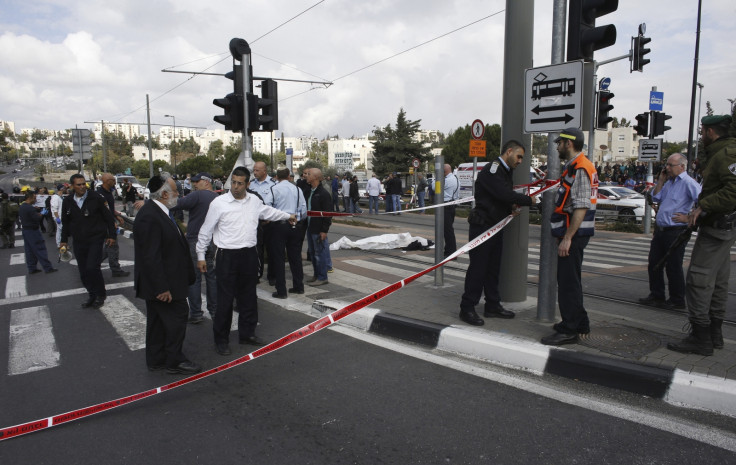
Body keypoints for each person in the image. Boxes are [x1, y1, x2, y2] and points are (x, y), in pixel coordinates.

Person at [197, 166, 296, 356]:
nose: (235, 187)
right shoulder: (219, 203)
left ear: (247, 184)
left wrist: (288, 216)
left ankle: (247, 334)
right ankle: (221, 339)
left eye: (239, 183)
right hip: (226, 256)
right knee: (225, 300)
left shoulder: (254, 201)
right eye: (233, 182)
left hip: (249, 255)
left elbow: (268, 212)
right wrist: (201, 255)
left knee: (249, 297)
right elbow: (206, 230)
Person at [668, 114, 736, 356]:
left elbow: (732, 190)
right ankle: (714, 335)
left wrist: (704, 205)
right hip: (722, 226)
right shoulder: (724, 151)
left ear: (709, 132)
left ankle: (701, 337)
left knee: (698, 280)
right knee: (717, 281)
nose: (701, 135)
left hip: (718, 226)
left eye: (703, 131)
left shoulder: (726, 153)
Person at [458, 140, 534, 326]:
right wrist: (528, 200)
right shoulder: (493, 169)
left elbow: (499, 198)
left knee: (493, 268)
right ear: (509, 152)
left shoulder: (505, 171)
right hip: (483, 226)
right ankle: (467, 308)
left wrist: (511, 208)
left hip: (495, 226)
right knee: (478, 269)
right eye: (518, 156)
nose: (520, 161)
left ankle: (492, 305)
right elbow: (504, 194)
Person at [134, 174, 201, 375]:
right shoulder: (150, 216)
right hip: (164, 284)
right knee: (177, 318)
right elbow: (150, 257)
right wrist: (161, 287)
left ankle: (156, 359)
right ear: (164, 194)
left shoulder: (160, 212)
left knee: (157, 322)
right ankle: (175, 360)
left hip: (166, 280)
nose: (178, 195)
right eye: (175, 191)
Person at [541, 127, 598, 346]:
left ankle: (569, 329)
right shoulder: (575, 166)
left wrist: (568, 237)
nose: (557, 146)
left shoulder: (581, 168)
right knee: (571, 281)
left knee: (567, 284)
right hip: (573, 234)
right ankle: (580, 322)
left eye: (560, 142)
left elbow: (581, 206)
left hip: (573, 234)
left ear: (569, 144)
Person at [638, 153, 701, 309]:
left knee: (673, 265)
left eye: (670, 165)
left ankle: (677, 299)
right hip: (661, 230)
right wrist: (660, 180)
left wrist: (689, 218)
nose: (667, 168)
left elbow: (702, 201)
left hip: (676, 231)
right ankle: (657, 295)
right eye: (666, 165)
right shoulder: (669, 182)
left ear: (681, 166)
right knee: (654, 263)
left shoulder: (688, 182)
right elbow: (656, 197)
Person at [60, 173, 117, 309]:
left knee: (92, 267)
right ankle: (91, 294)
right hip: (79, 241)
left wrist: (112, 236)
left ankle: (100, 295)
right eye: (78, 185)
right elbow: (65, 222)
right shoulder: (67, 201)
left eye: (83, 184)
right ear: (72, 186)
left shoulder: (96, 198)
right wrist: (63, 241)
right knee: (84, 271)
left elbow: (108, 218)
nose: (82, 187)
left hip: (95, 239)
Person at [169, 172, 219, 324]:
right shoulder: (219, 198)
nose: (194, 184)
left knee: (195, 278)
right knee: (212, 277)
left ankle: (196, 313)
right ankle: (215, 311)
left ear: (206, 182)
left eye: (197, 181)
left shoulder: (197, 196)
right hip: (214, 242)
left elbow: (174, 204)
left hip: (196, 241)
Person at [268, 168, 307, 298]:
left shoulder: (274, 189)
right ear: (289, 177)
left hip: (279, 226)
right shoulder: (297, 189)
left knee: (278, 258)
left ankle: (281, 290)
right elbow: (304, 209)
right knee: (295, 257)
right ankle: (298, 286)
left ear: (277, 177)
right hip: (295, 225)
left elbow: (268, 207)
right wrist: (297, 219)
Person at [97, 173, 129, 278]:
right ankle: (115, 269)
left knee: (108, 247)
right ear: (107, 181)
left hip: (109, 222)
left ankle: (93, 263)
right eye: (112, 180)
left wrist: (117, 215)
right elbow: (102, 212)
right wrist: (112, 223)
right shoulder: (100, 194)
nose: (114, 182)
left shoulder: (109, 192)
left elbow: (109, 209)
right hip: (106, 225)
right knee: (112, 245)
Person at [18, 190, 57, 274]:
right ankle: (48, 267)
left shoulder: (22, 206)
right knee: (40, 248)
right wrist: (42, 213)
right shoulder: (30, 208)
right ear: (30, 198)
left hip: (25, 230)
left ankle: (32, 268)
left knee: (29, 250)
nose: (36, 200)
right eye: (34, 198)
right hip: (33, 231)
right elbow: (37, 218)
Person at [305, 168, 333, 286]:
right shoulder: (310, 191)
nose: (306, 176)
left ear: (316, 177)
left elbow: (328, 214)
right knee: (312, 253)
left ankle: (322, 277)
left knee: (319, 254)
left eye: (309, 174)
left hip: (318, 229)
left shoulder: (323, 194)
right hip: (310, 227)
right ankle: (316, 275)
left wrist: (324, 230)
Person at [251, 161, 276, 282]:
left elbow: (277, 202)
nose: (254, 172)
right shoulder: (250, 185)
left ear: (264, 171)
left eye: (257, 170)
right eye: (254, 170)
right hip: (256, 223)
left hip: (270, 223)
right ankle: (257, 273)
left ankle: (272, 276)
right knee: (257, 250)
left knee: (271, 250)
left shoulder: (273, 184)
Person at [443, 164, 459, 256]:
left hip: (446, 207)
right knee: (448, 229)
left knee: (448, 230)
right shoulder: (455, 178)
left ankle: (451, 251)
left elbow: (433, 187)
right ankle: (449, 249)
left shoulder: (447, 180)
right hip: (452, 205)